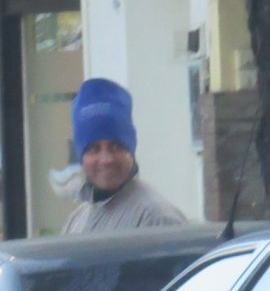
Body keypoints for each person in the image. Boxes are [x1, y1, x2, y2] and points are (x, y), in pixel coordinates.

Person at [62, 78, 187, 234]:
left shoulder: (157, 220)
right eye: (94, 149)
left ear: (131, 150)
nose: (106, 159)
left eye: (116, 147)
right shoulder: (76, 221)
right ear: (81, 156)